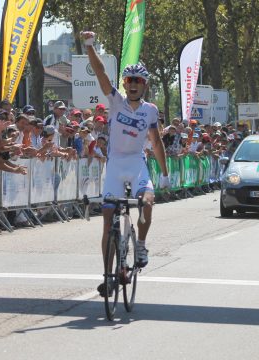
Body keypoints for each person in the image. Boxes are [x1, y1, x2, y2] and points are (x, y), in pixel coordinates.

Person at [82, 30, 170, 296]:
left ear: (144, 85)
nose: (132, 84)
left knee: (147, 202)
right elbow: (100, 74)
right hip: (116, 164)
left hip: (136, 163)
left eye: (138, 81)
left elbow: (156, 142)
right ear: (124, 83)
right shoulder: (116, 101)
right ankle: (108, 276)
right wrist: (89, 47)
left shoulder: (151, 110)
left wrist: (164, 173)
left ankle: (140, 244)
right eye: (129, 80)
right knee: (108, 221)